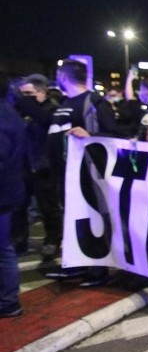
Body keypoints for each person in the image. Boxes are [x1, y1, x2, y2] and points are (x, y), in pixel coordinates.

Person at [44, 59, 120, 286]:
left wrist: (91, 137)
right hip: (65, 175)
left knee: (92, 220)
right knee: (72, 219)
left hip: (87, 175)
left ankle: (98, 272)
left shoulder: (94, 102)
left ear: (63, 76)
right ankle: (74, 266)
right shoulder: (67, 101)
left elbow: (113, 135)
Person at [13, 74, 62, 262]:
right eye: (22, 94)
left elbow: (47, 122)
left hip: (44, 166)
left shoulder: (53, 109)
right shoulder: (20, 112)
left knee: (48, 207)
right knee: (19, 207)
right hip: (24, 165)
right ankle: (20, 240)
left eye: (29, 93)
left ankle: (53, 239)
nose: (25, 98)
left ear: (42, 92)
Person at [1, 75, 26, 317]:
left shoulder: (3, 118)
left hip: (3, 193)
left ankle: (8, 301)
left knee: (3, 249)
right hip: (9, 191)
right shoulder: (10, 113)